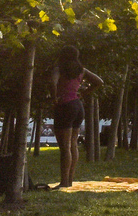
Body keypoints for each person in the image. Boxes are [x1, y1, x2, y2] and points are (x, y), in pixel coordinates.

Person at [48, 46, 102, 188]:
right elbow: (99, 81)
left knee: (65, 147)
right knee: (73, 144)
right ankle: (70, 180)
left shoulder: (58, 69)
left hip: (64, 107)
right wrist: (84, 93)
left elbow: (53, 82)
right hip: (78, 107)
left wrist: (54, 98)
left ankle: (64, 182)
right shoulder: (81, 70)